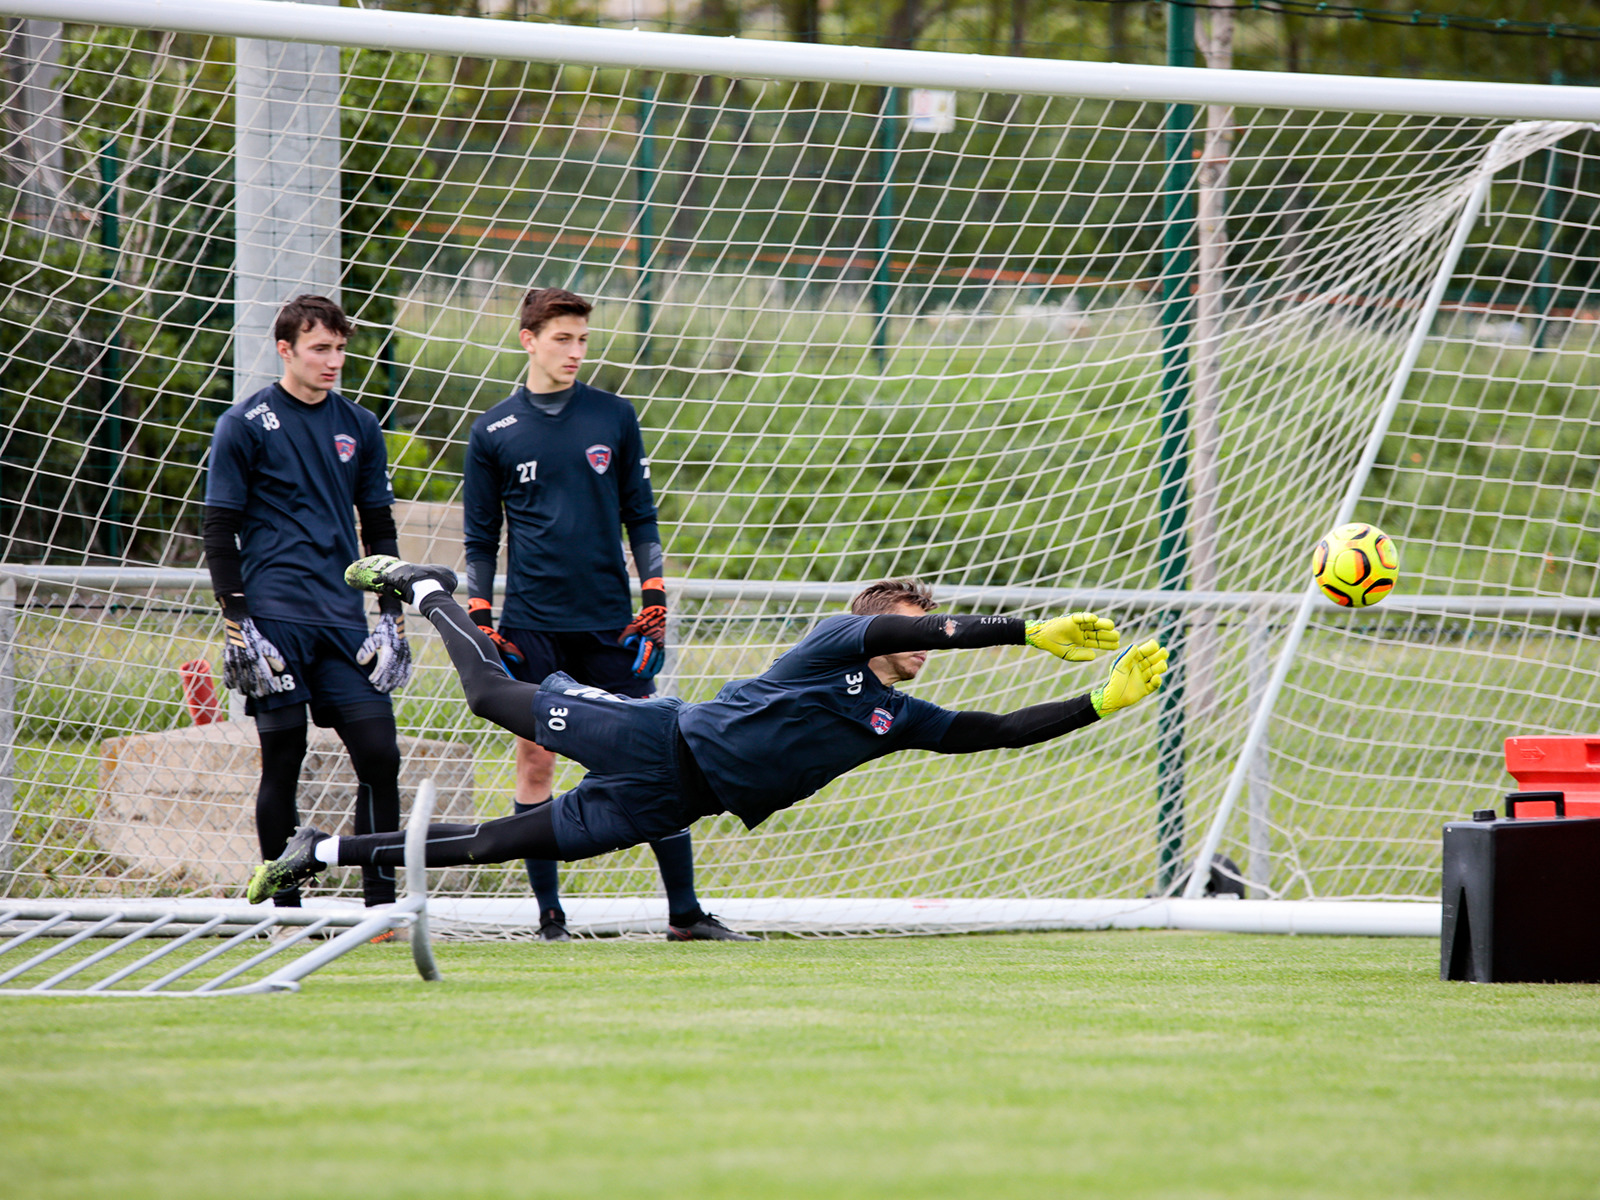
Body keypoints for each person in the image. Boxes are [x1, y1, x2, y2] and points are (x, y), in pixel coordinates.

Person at [246, 557, 1169, 908]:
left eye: (935, 626)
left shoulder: (895, 717)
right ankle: (429, 588)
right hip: (653, 738)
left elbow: (991, 731)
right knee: (492, 698)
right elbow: (910, 629)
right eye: (915, 623)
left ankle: (313, 850)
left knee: (493, 844)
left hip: (670, 798)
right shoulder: (839, 640)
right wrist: (1021, 630)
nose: (926, 637)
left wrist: (1101, 705)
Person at [461, 286, 748, 942]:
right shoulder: (494, 430)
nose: (575, 351)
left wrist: (653, 597)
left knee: (659, 758)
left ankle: (684, 913)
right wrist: (481, 616)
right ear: (528, 339)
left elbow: (640, 517)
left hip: (610, 623)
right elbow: (480, 539)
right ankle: (550, 918)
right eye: (563, 338)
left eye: (583, 339)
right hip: (532, 624)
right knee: (535, 760)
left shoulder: (614, 417)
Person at [206, 296, 410, 916]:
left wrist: (391, 616)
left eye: (340, 349)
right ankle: (286, 913)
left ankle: (378, 911)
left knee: (380, 755)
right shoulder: (243, 424)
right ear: (286, 350)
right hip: (275, 620)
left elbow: (378, 527)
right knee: (283, 764)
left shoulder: (360, 426)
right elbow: (220, 531)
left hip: (343, 620)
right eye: (320, 348)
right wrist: (239, 622)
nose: (334, 360)